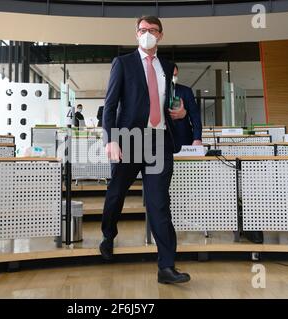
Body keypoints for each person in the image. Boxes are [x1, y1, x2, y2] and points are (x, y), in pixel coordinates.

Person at [101, 16, 190, 284]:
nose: (147, 34)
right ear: (136, 34)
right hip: (128, 140)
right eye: (143, 30)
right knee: (116, 193)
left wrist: (181, 113)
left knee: (159, 203)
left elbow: (169, 104)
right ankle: (108, 235)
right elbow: (109, 104)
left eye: (152, 30)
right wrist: (111, 139)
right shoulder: (123, 63)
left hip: (159, 141)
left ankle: (166, 266)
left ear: (161, 35)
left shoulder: (167, 66)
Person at [171, 64, 202, 147]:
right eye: (171, 74)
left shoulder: (186, 91)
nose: (174, 77)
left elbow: (195, 116)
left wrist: (197, 139)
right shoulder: (155, 91)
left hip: (183, 138)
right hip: (161, 139)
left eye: (175, 75)